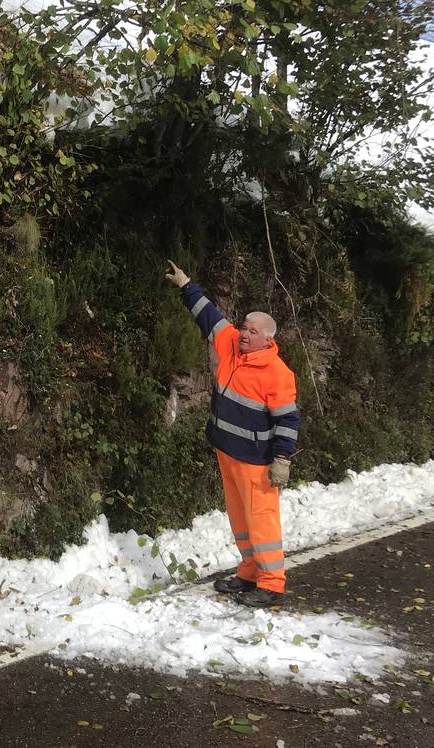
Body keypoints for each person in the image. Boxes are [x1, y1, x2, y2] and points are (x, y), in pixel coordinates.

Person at [165, 261, 301, 608]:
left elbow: (288, 420)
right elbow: (208, 315)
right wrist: (186, 285)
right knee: (240, 519)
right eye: (244, 327)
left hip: (256, 462)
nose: (244, 333)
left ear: (268, 339)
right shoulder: (230, 346)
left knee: (261, 519)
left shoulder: (277, 373)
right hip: (227, 451)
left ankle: (271, 583)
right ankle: (248, 573)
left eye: (253, 331)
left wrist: (282, 460)